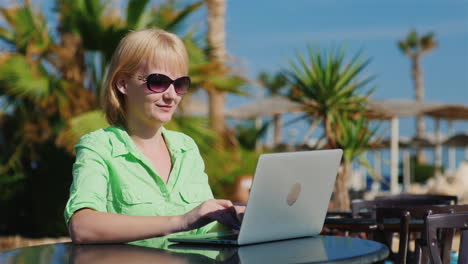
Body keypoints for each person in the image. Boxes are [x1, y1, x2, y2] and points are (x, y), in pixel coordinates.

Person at [64, 28, 244, 246]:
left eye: (179, 85)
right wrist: (181, 221)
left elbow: (204, 228)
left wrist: (239, 218)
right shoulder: (99, 146)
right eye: (158, 82)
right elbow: (82, 226)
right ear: (123, 83)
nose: (171, 95)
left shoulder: (186, 147)